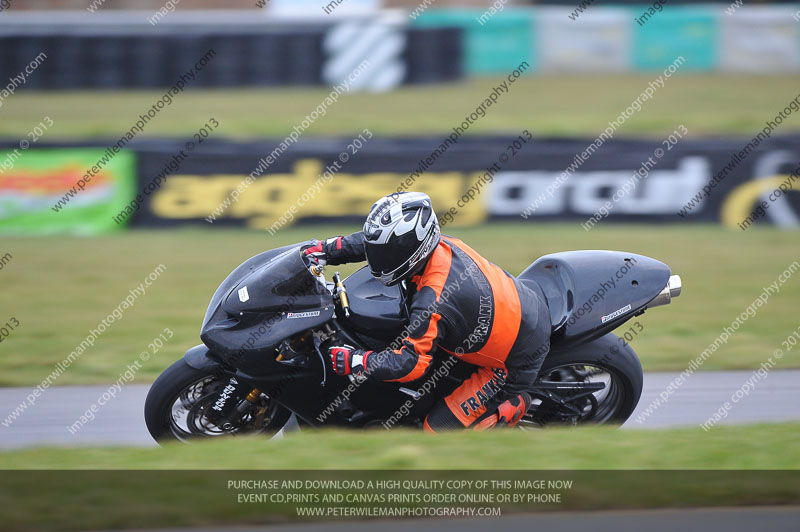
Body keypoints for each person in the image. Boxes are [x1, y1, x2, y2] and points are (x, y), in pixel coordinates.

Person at [300, 192, 551, 431]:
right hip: (512, 308)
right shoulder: (429, 246)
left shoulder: (433, 297)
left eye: (386, 253)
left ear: (412, 250)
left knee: (438, 430)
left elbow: (411, 365)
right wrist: (325, 249)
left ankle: (515, 404)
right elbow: (376, 243)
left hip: (514, 359)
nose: (376, 258)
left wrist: (356, 361)